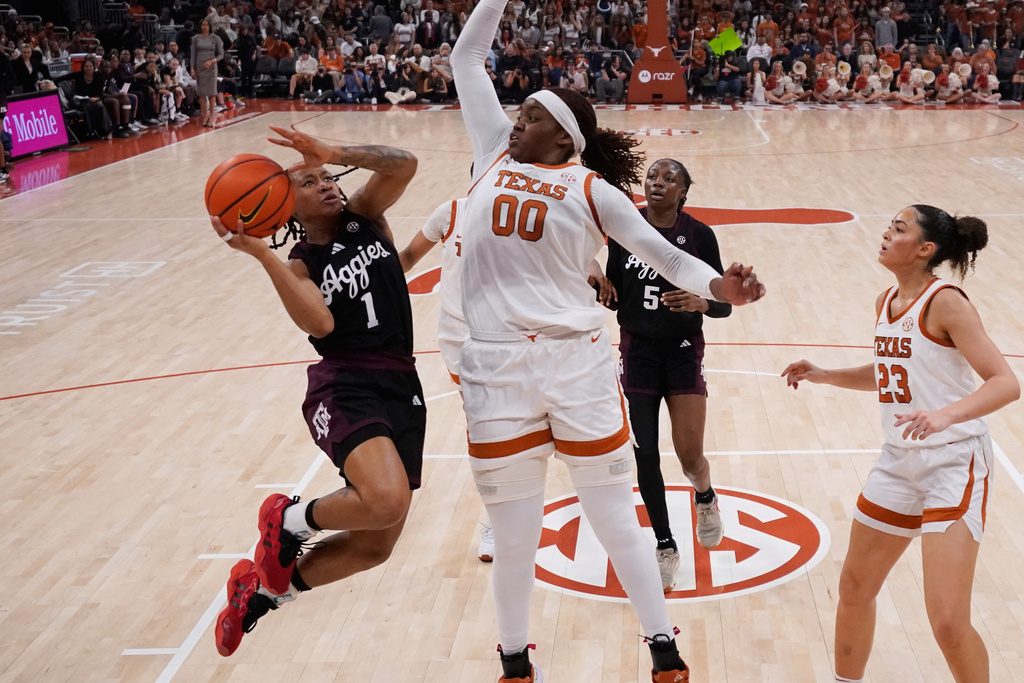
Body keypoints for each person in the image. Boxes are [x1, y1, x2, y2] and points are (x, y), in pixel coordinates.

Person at [451, 0, 766, 677]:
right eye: (518, 113)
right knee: (513, 534)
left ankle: (664, 649)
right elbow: (466, 58)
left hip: (577, 366)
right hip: (496, 369)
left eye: (530, 116)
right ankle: (514, 663)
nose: (515, 121)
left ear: (563, 138)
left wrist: (722, 288)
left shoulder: (593, 191)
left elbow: (669, 256)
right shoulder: (489, 151)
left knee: (616, 519)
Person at [781, 205, 1019, 683]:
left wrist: (945, 415)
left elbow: (1006, 382)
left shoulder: (946, 302)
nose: (886, 234)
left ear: (925, 249)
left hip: (953, 463)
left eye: (898, 228)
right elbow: (894, 373)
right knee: (854, 588)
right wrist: (827, 374)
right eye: (889, 226)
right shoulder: (886, 300)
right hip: (897, 461)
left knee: (947, 622)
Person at [212, 127, 424, 658]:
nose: (327, 183)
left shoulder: (365, 216)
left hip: (401, 382)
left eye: (328, 176)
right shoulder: (300, 265)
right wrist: (260, 253)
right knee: (386, 500)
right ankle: (284, 520)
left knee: (376, 544)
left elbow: (404, 163)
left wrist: (335, 151)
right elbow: (322, 325)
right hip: (346, 385)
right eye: (309, 182)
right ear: (283, 205)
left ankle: (261, 594)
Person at [603, 159, 731, 593]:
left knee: (690, 456)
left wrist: (701, 303)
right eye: (652, 177)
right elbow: (615, 294)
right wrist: (598, 285)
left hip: (682, 352)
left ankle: (705, 495)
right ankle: (665, 545)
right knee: (645, 456)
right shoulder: (626, 230)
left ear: (683, 192)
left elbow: (725, 303)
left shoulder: (699, 235)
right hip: (637, 352)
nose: (657, 183)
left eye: (668, 179)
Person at [191, 19, 224, 128]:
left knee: (211, 92)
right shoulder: (195, 38)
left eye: (206, 25)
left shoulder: (216, 38)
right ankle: (205, 115)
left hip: (211, 67)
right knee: (201, 93)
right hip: (200, 66)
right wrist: (192, 68)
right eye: (202, 25)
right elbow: (193, 54)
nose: (204, 27)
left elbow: (221, 55)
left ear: (209, 26)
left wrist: (212, 61)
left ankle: (212, 115)